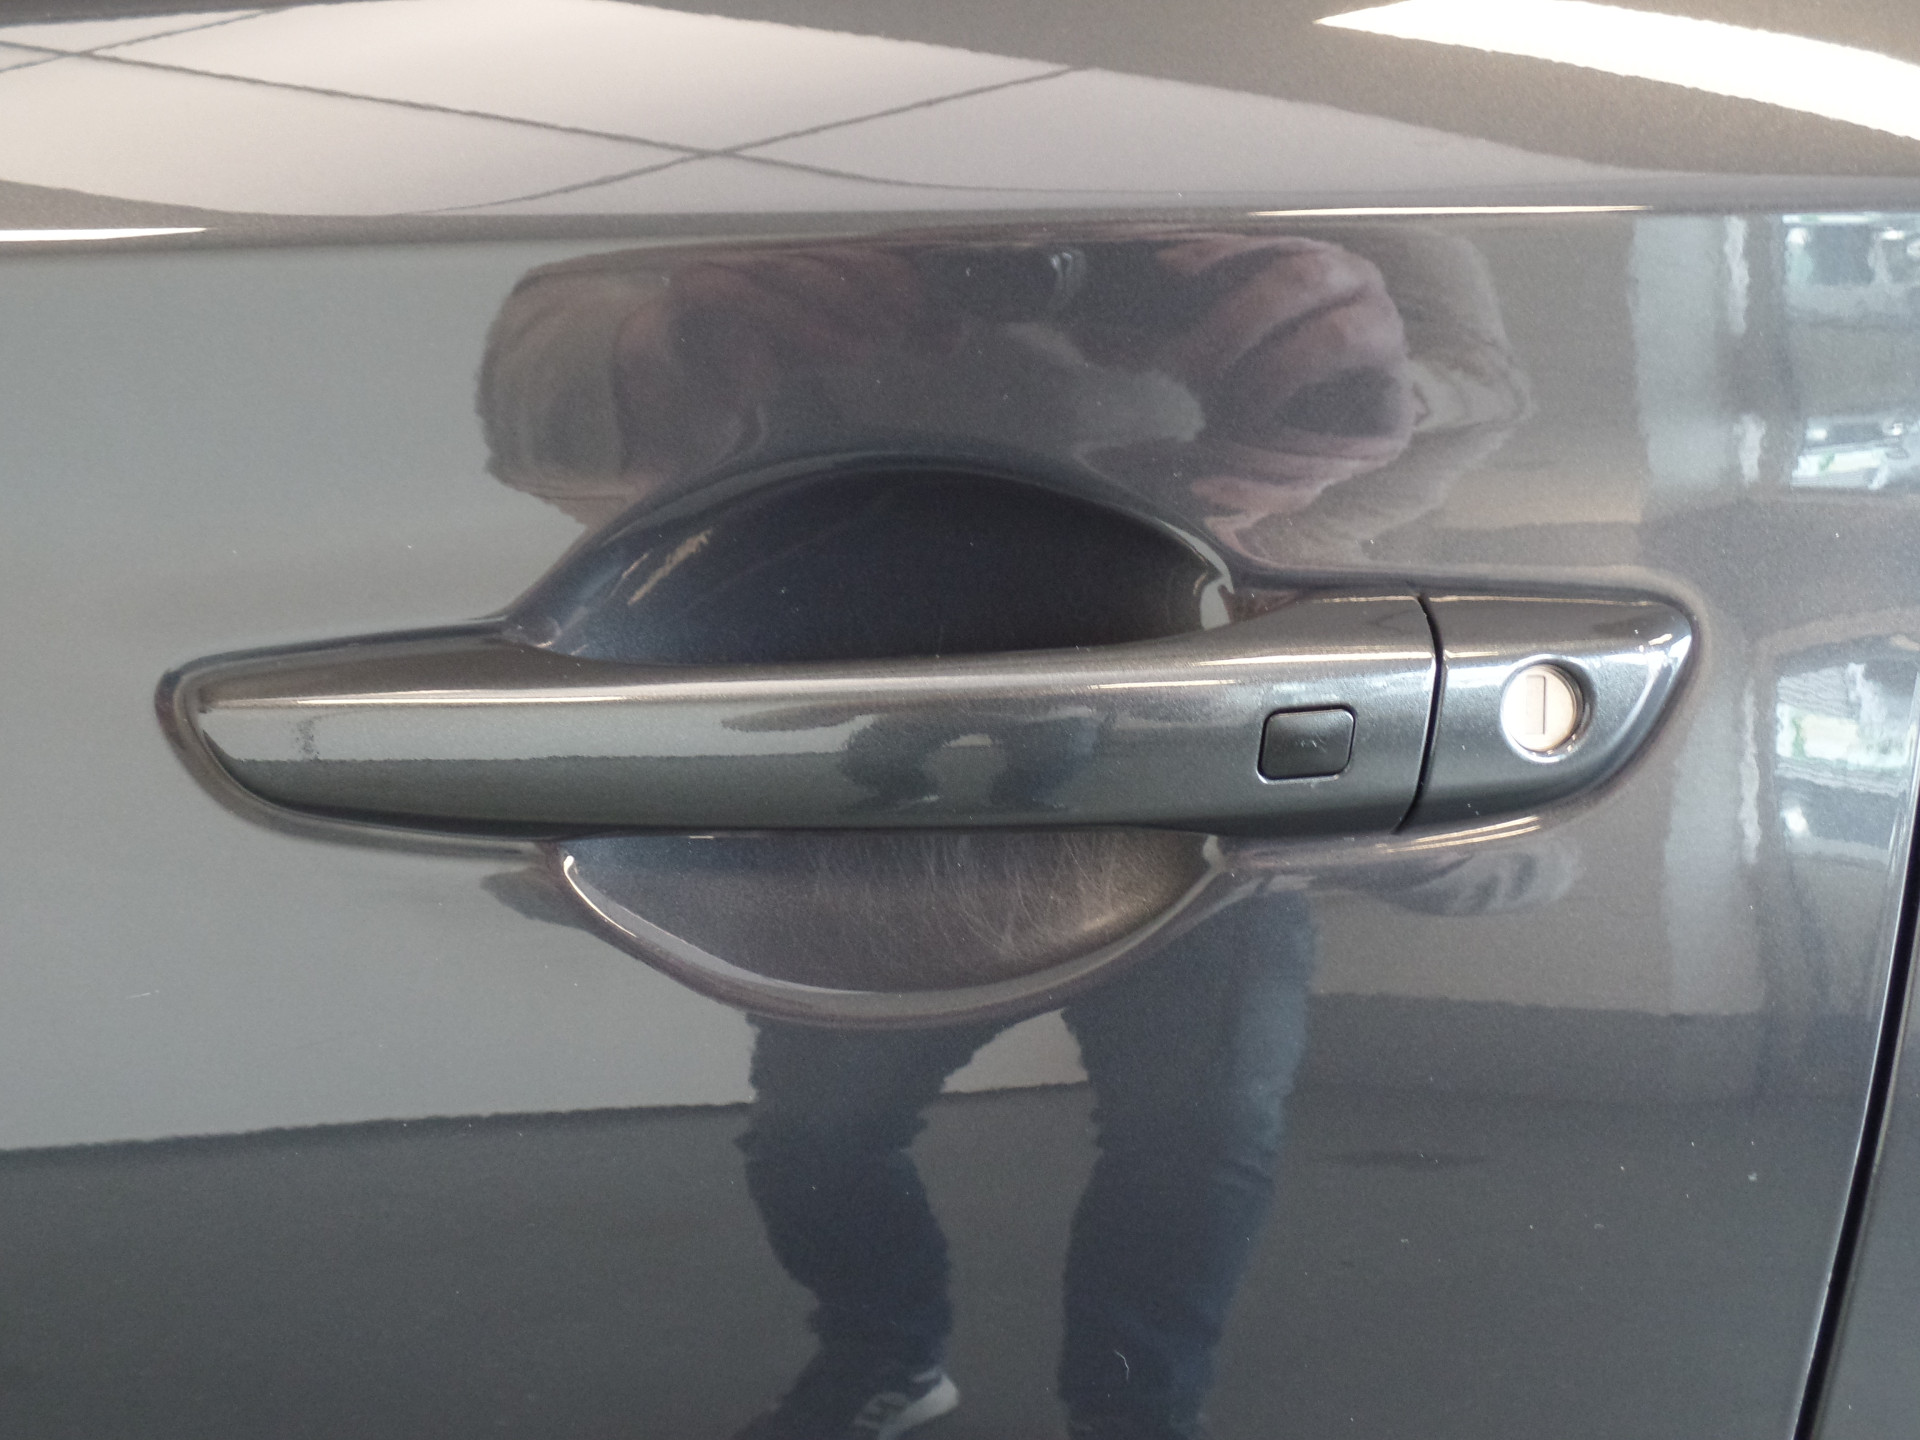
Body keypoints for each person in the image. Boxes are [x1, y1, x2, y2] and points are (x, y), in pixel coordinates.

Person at [476, 226, 1533, 1439]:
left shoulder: (1343, 191)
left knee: (1197, 1146)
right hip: (897, 760)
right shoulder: (785, 189)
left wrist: (1370, 384)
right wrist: (670, 343)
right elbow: (538, 380)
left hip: (1191, 743)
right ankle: (886, 1358)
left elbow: (1484, 383)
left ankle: (1132, 1418)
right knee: (817, 1142)